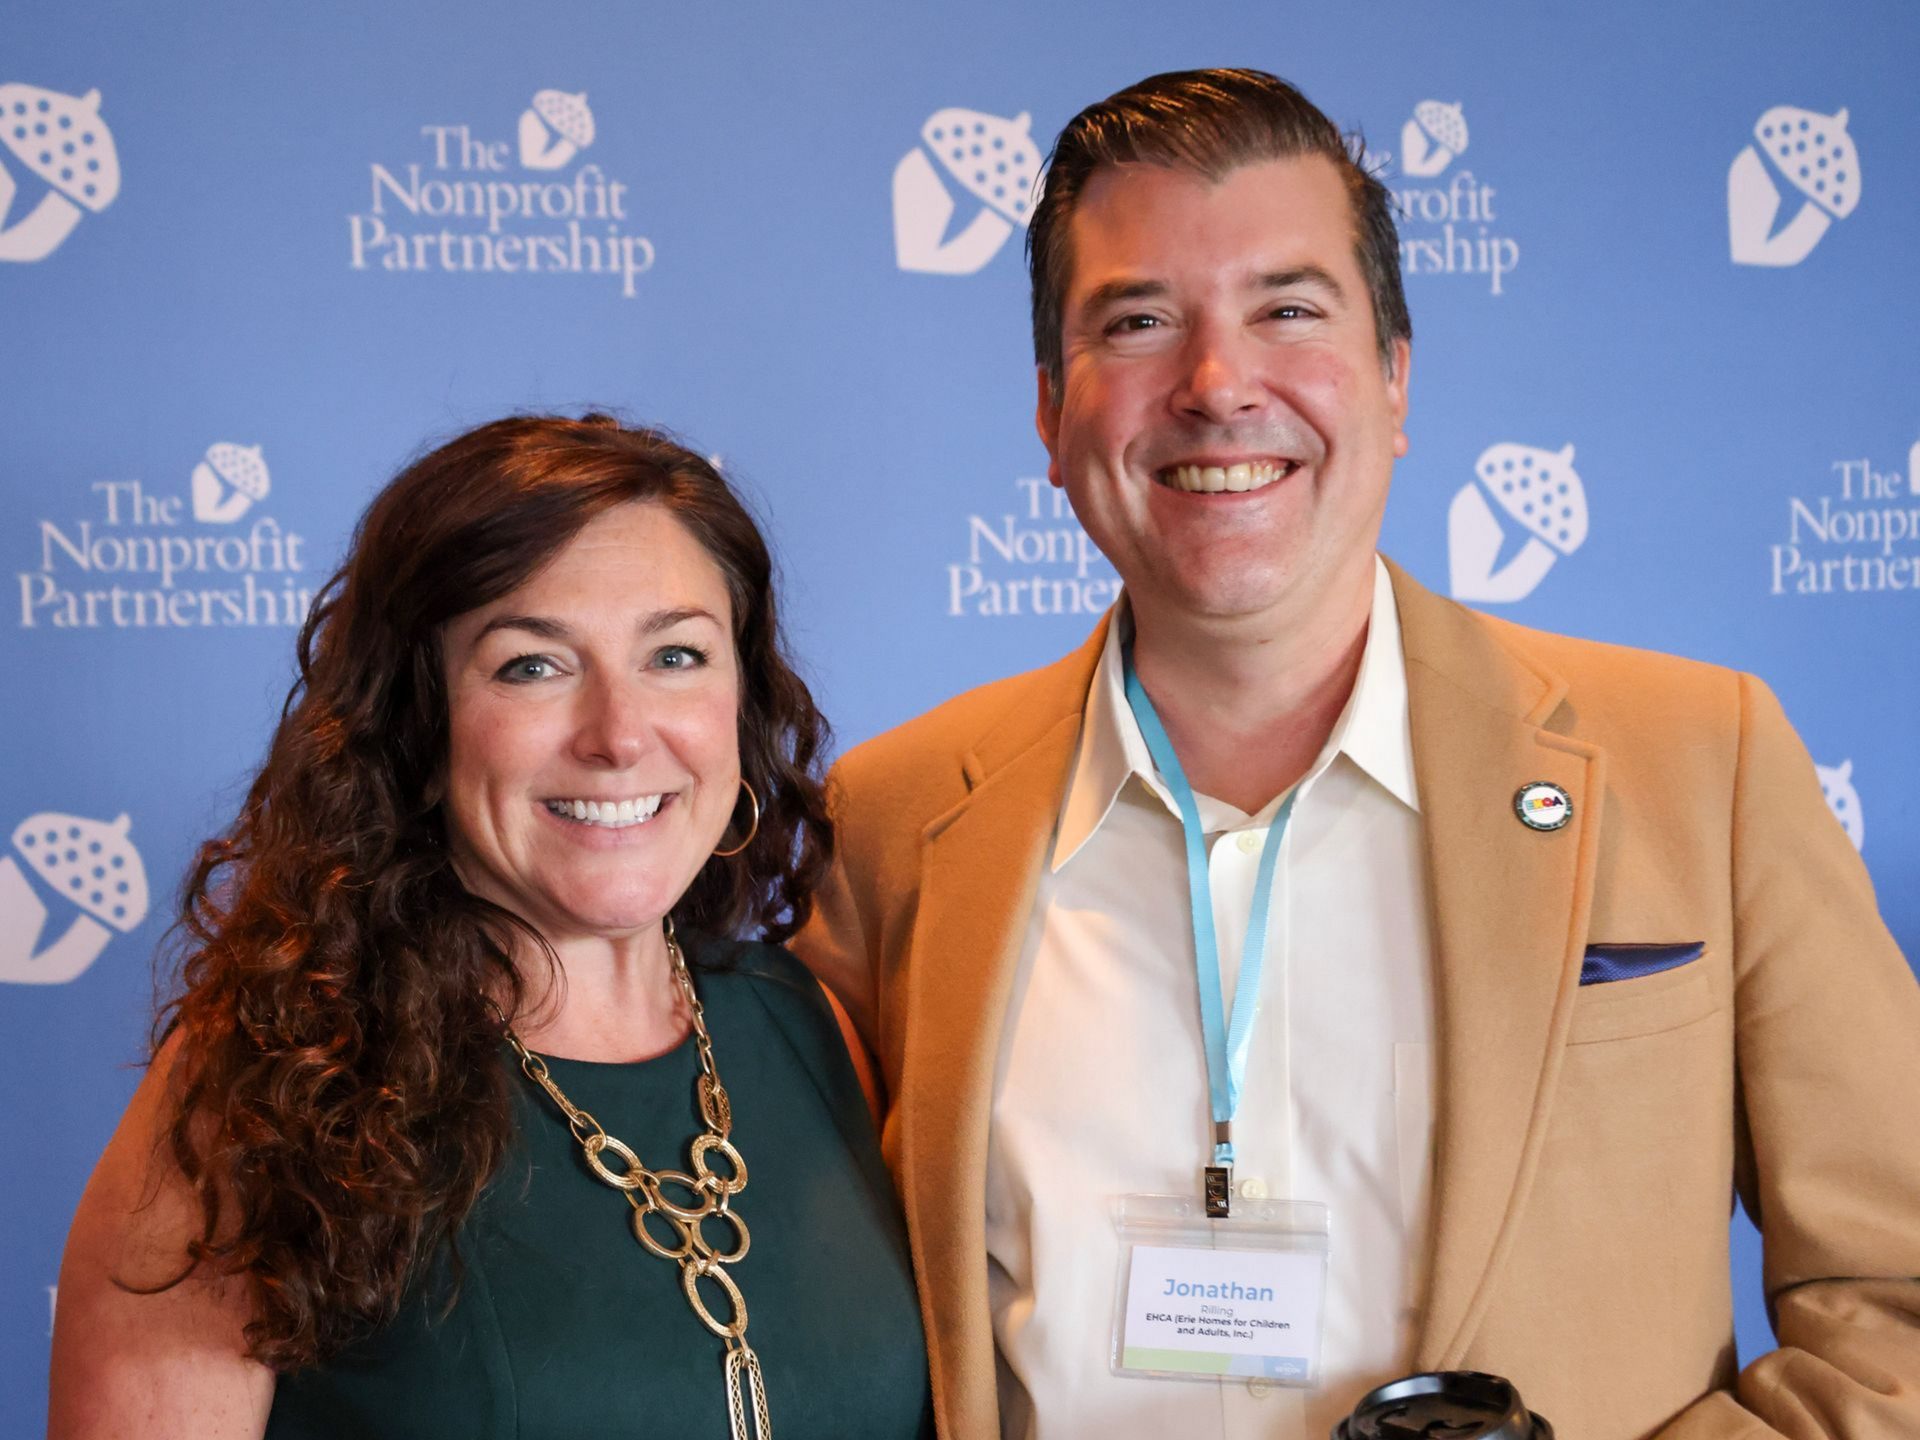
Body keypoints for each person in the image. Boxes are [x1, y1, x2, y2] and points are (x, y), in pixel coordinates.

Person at [794, 69, 1920, 1439]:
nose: (1217, 386)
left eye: (1287, 310)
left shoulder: (1701, 763)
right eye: (1139, 322)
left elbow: (1893, 1295)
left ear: (1394, 378)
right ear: (1051, 410)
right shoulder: (897, 815)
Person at [49, 415, 933, 1439]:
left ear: (741, 700)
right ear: (418, 727)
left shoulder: (813, 1026)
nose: (619, 735)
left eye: (677, 655)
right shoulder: (262, 1089)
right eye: (532, 666)